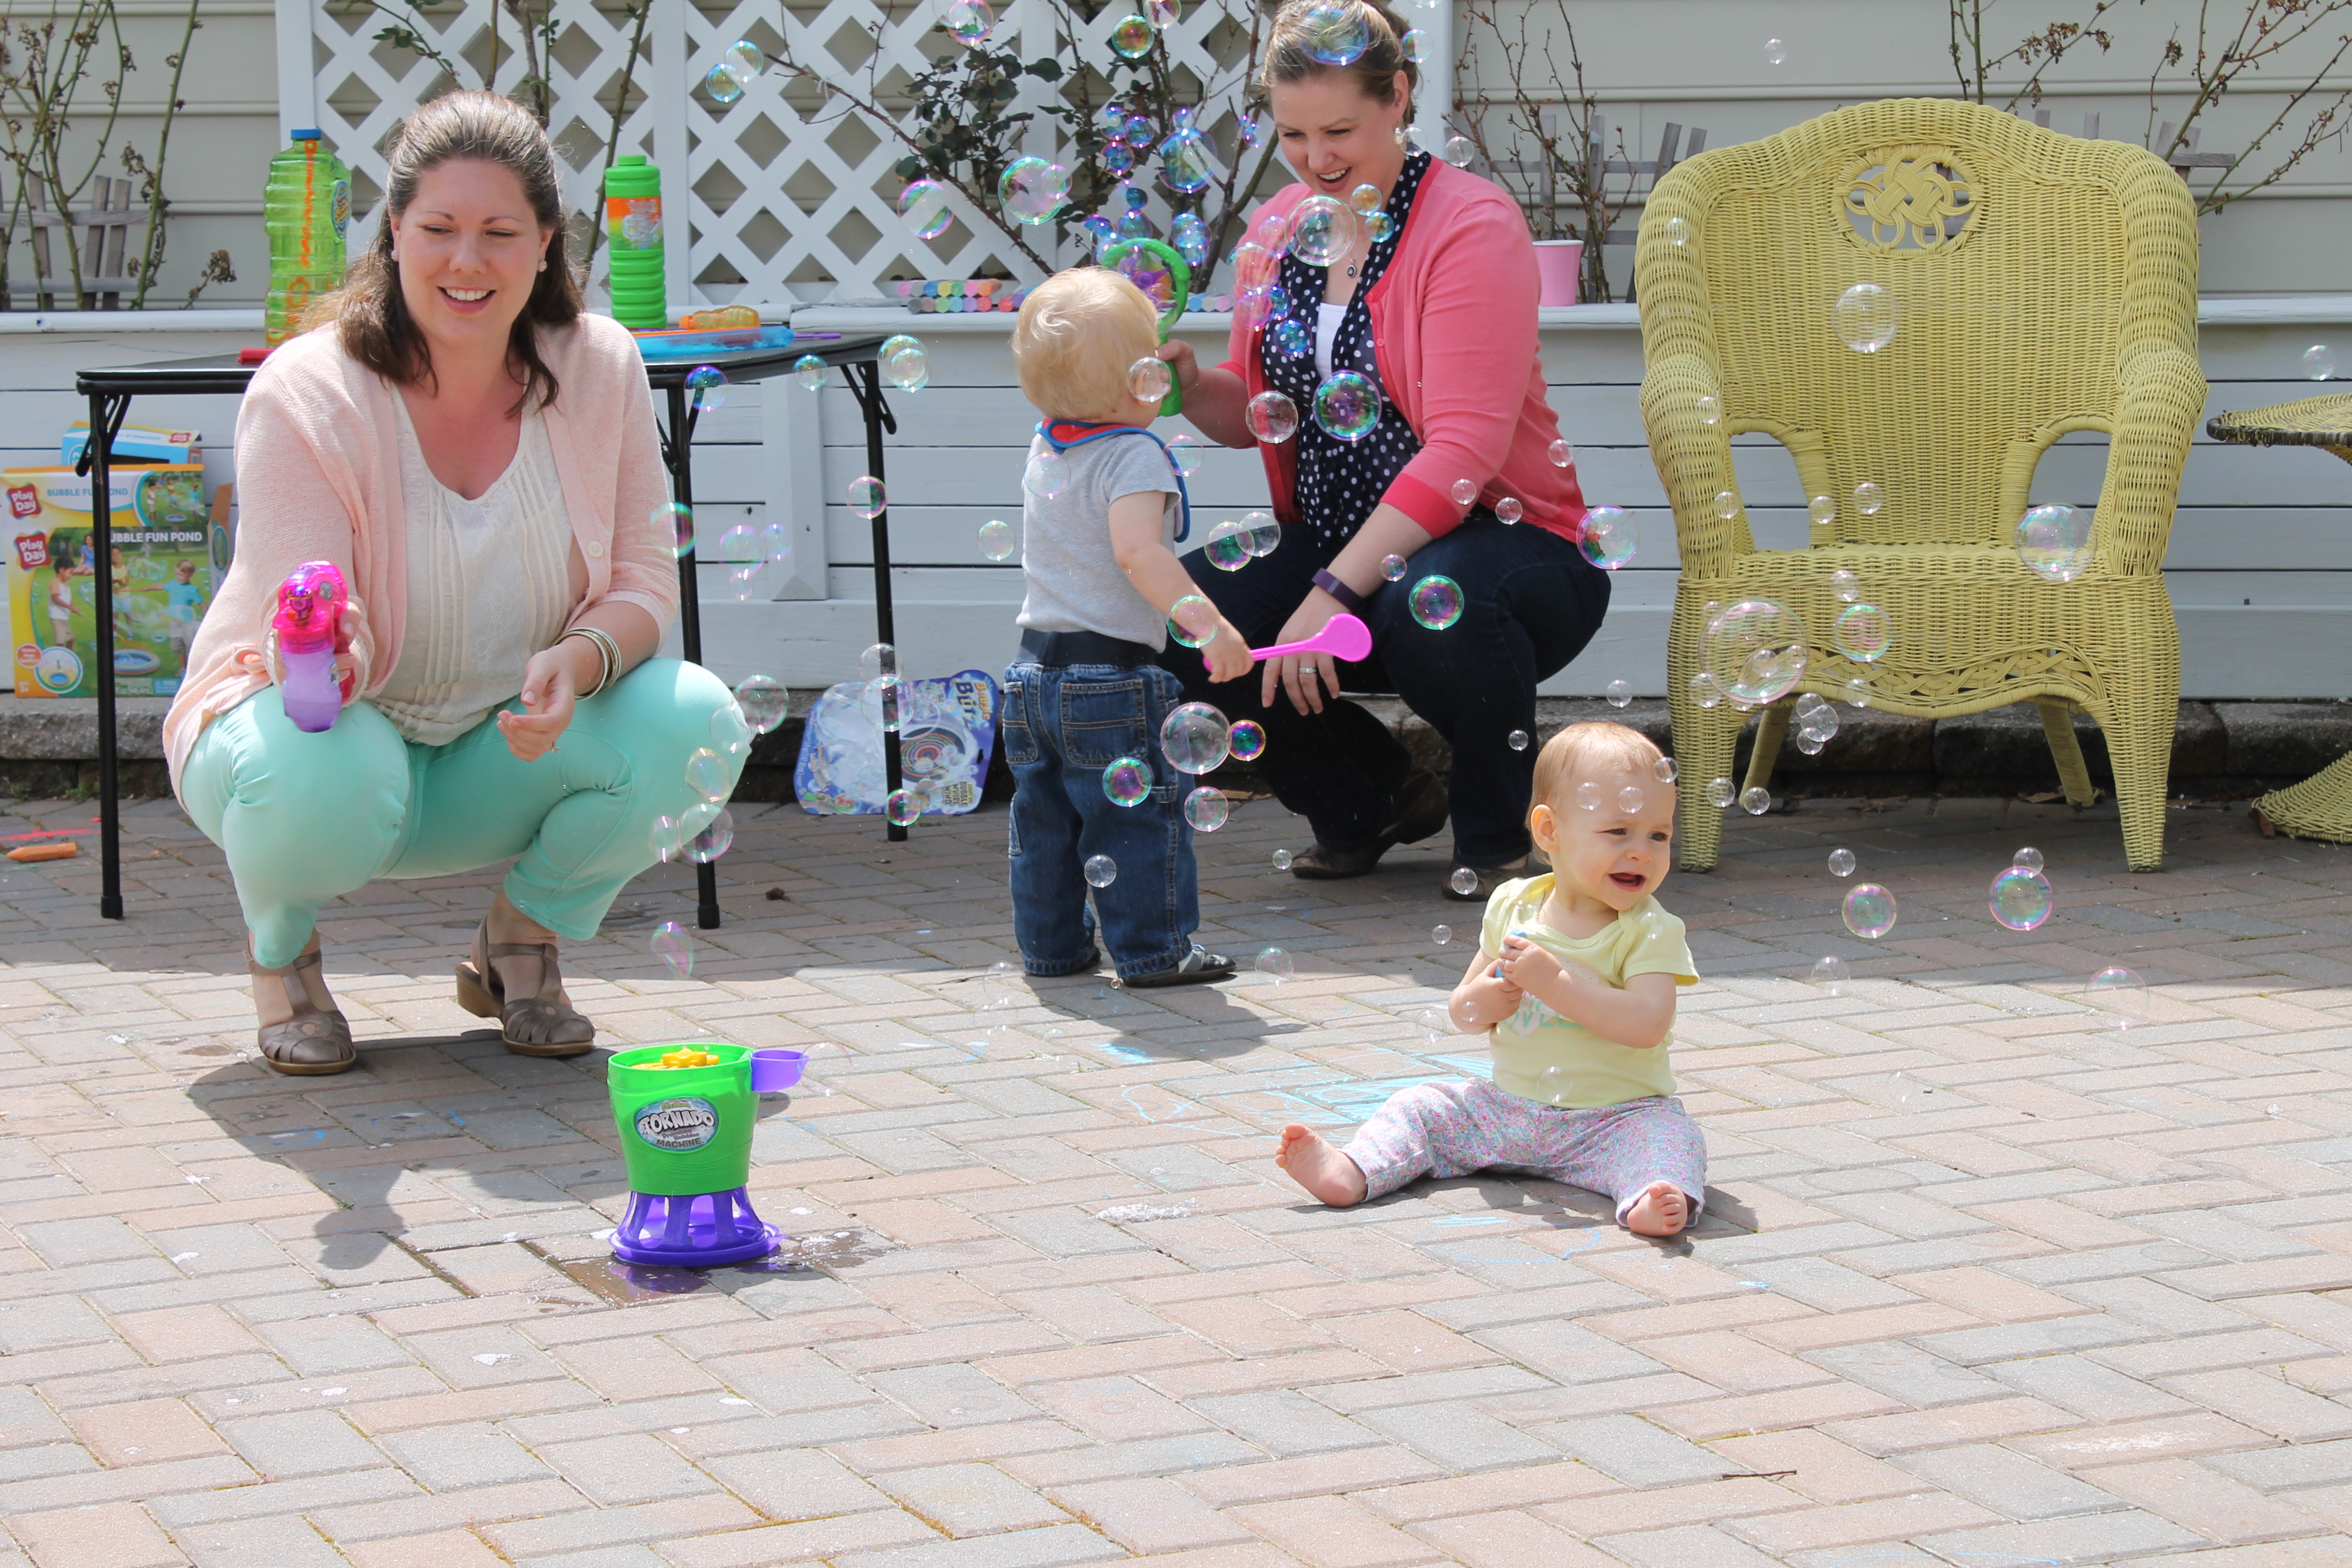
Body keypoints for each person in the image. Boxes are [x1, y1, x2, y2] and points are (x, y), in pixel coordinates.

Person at [164, 91, 743, 1076]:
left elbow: (647, 581)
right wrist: (323, 648)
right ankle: (283, 956)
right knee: (320, 755)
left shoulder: (599, 366)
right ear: (394, 234)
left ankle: (519, 936)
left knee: (699, 717)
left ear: (546, 244)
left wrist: (579, 655)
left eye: (498, 232)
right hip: (323, 751)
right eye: (437, 229)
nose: (465, 261)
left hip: (495, 749)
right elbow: (295, 606)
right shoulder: (308, 389)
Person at [1156, 0, 1610, 901]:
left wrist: (1328, 593)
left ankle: (1499, 835)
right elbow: (1257, 411)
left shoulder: (1468, 226)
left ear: (1396, 97)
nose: (1315, 159)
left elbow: (1466, 451)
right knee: (1175, 624)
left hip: (1512, 544)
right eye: (1291, 134)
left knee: (1431, 603)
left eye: (1338, 131)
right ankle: (1374, 797)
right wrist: (1183, 384)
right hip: (1340, 540)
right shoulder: (1277, 232)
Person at [1275, 723, 1705, 1237]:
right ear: (1550, 832)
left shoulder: (1650, 928)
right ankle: (1355, 1168)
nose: (1642, 851)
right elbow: (1465, 1011)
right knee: (1421, 1106)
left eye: (1659, 835)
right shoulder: (1514, 904)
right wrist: (1484, 999)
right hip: (1507, 1111)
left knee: (1672, 1137)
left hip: (1615, 1121)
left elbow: (1649, 1024)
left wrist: (1557, 986)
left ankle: (1649, 1198)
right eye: (1619, 832)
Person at [1000, 268, 1246, 987]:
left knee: (1044, 829)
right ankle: (1154, 953)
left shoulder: (1048, 442)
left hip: (1031, 676)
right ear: (1143, 382)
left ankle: (1051, 950)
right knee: (1133, 824)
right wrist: (1210, 628)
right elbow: (1139, 555)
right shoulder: (1135, 455)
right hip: (1109, 681)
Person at [163, 559, 203, 663]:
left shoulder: (192, 589)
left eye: (181, 575)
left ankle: (193, 668)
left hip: (187, 623)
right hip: (174, 622)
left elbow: (201, 603)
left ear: (191, 575)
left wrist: (209, 616)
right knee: (178, 647)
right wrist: (147, 588)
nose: (178, 578)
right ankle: (182, 669)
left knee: (190, 646)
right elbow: (161, 586)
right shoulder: (173, 584)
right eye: (177, 574)